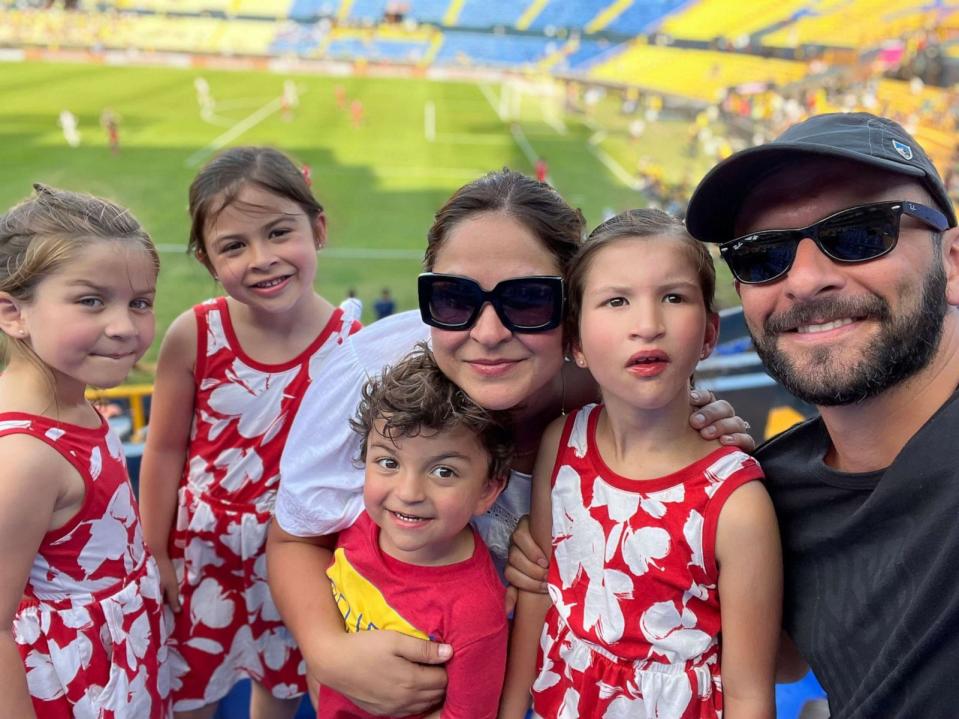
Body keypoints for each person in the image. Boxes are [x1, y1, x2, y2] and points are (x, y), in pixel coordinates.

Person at [512, 111, 959, 717]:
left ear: (953, 259)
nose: (805, 280)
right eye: (763, 254)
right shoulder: (782, 482)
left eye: (860, 233)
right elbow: (776, 657)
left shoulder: (746, 495)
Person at [266, 169, 754, 716]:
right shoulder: (372, 375)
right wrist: (328, 651)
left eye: (526, 300)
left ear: (573, 311)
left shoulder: (626, 400)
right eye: (452, 298)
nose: (490, 332)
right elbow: (293, 538)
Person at [499, 210, 781, 718]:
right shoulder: (561, 444)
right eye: (616, 301)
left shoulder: (738, 506)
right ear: (577, 343)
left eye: (674, 298)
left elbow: (749, 693)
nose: (648, 325)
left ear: (710, 333)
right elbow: (541, 595)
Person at [138, 147, 359, 718]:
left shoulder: (348, 348)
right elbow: (162, 452)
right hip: (199, 552)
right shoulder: (196, 333)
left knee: (280, 691)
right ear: (208, 261)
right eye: (234, 245)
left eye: (279, 232)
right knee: (188, 693)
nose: (262, 259)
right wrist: (156, 551)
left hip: (295, 559)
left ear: (318, 229)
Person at [0, 184, 170, 717]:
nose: (123, 328)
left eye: (139, 303)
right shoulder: (25, 458)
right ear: (13, 313)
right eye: (90, 301)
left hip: (120, 656)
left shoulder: (74, 401)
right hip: (78, 687)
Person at [320, 344, 511, 718]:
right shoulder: (358, 525)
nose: (407, 494)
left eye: (443, 471)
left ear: (487, 491)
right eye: (389, 462)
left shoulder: (474, 612)